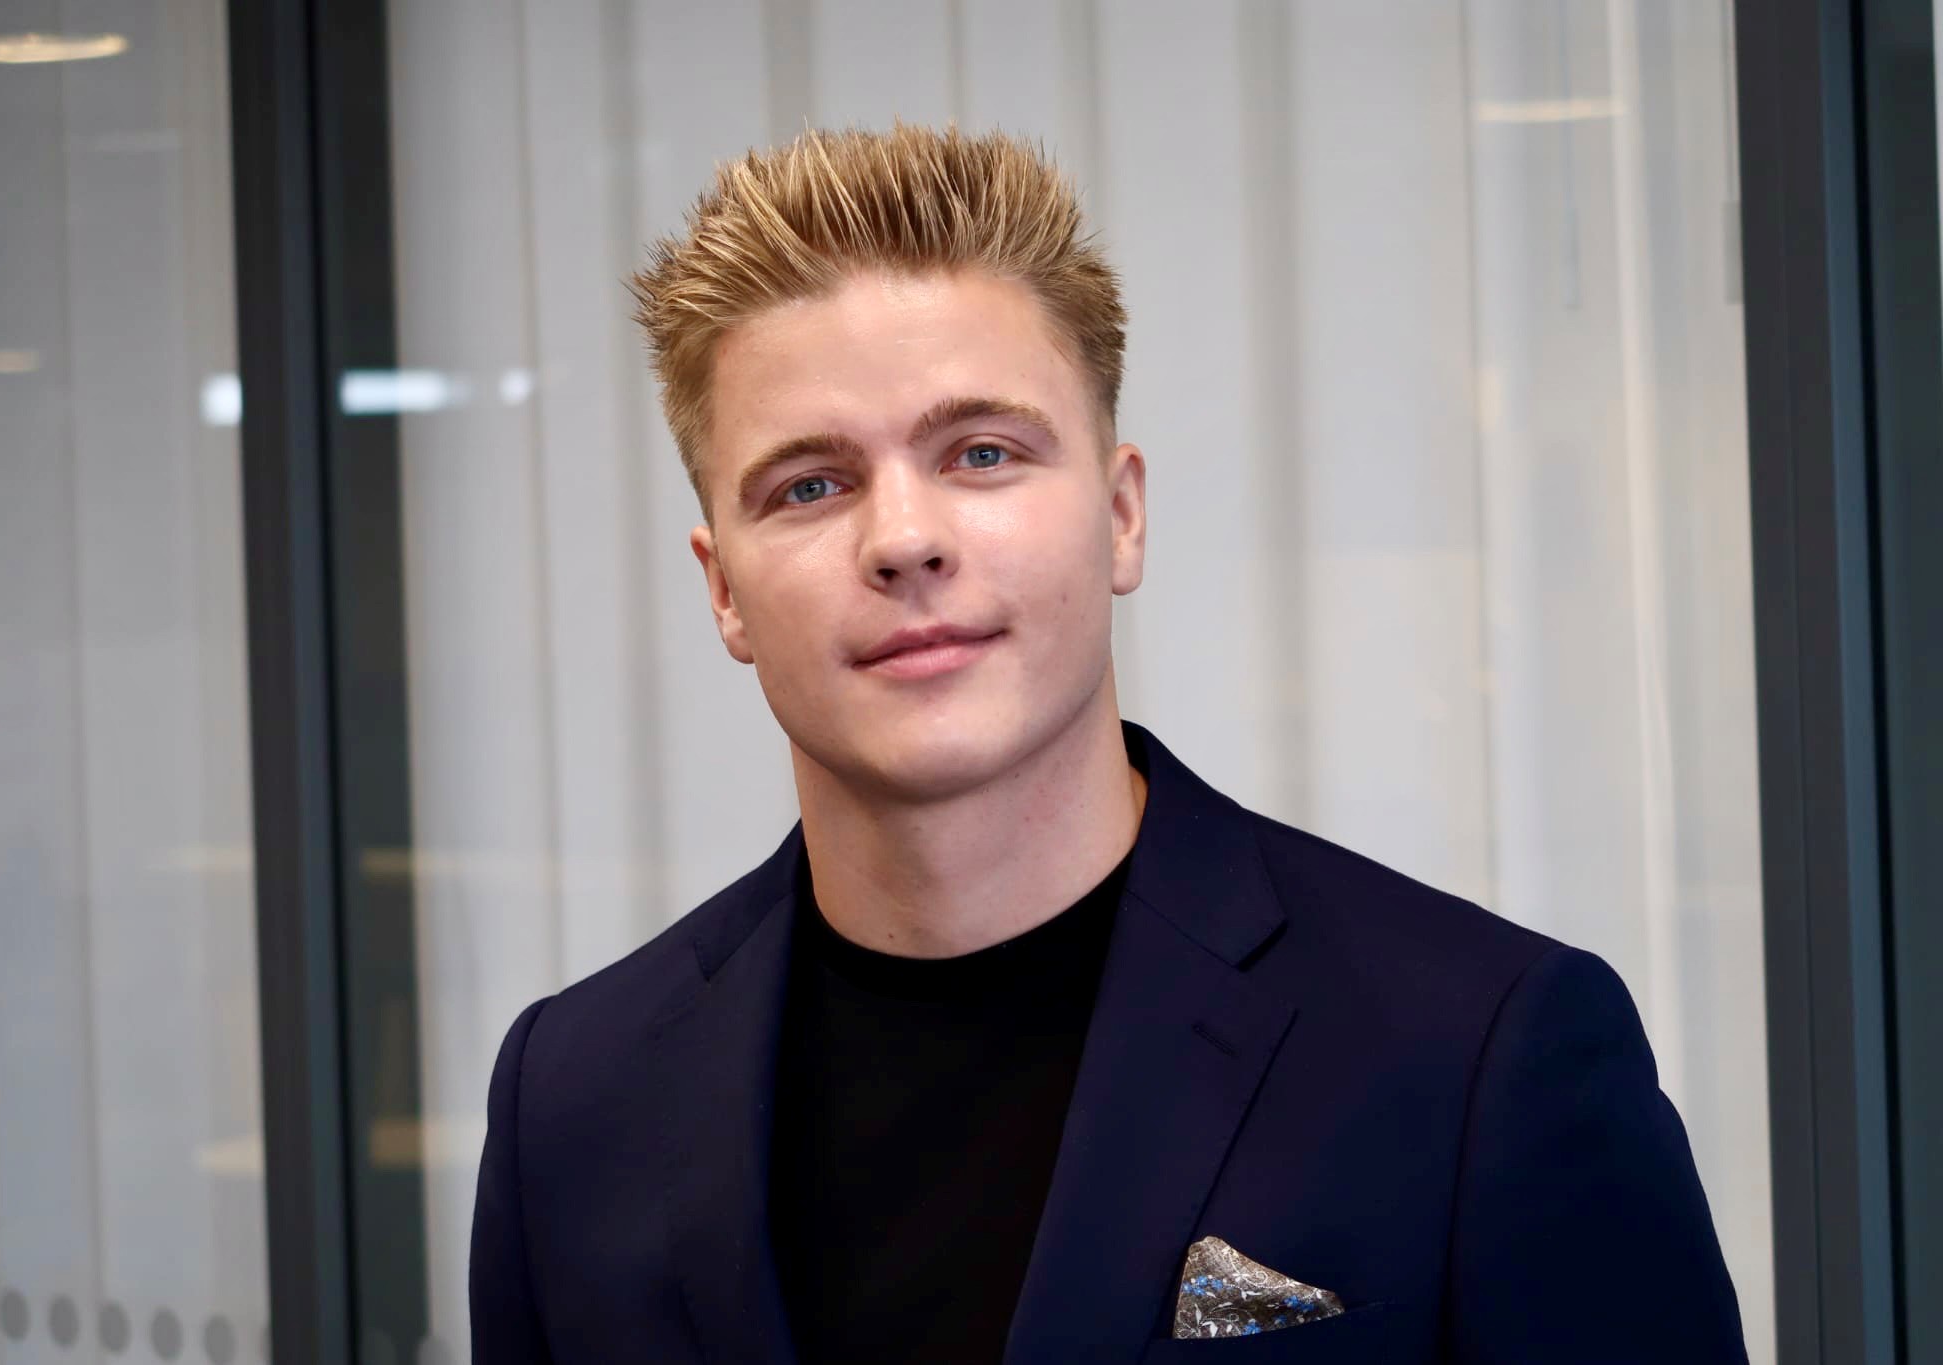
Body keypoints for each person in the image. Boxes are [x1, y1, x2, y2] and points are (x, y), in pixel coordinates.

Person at [469, 124, 1747, 1364]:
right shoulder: (570, 1104)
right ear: (724, 592)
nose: (902, 539)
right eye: (810, 484)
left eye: (980, 453)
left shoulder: (1476, 1055)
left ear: (1121, 514)